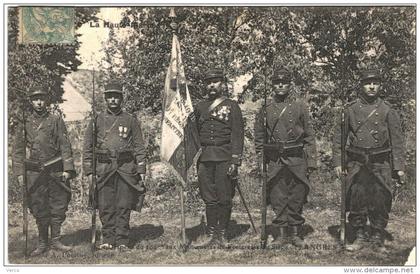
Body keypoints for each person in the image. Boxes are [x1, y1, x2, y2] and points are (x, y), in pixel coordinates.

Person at [333, 68, 405, 252]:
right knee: (357, 197)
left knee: (380, 198)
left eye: (375, 83)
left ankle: (377, 235)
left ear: (380, 86)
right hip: (357, 162)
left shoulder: (388, 110)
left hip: (380, 162)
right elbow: (339, 139)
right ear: (361, 86)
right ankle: (359, 234)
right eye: (367, 83)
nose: (371, 87)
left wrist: (399, 167)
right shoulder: (350, 110)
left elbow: (397, 140)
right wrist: (338, 162)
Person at [254, 67, 317, 248]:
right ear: (273, 86)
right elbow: (259, 138)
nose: (280, 85)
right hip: (275, 160)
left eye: (284, 82)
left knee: (297, 196)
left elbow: (309, 136)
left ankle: (296, 233)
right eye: (276, 83)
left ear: (290, 85)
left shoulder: (300, 107)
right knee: (278, 197)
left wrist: (311, 161)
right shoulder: (265, 109)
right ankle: (281, 234)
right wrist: (261, 161)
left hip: (296, 158)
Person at [83, 81, 146, 251]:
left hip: (125, 168)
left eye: (116, 96)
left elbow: (140, 145)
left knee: (123, 205)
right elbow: (87, 147)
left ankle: (123, 240)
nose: (113, 100)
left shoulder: (130, 120)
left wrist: (141, 168)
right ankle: (108, 238)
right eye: (109, 96)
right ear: (105, 98)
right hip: (104, 169)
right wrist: (89, 170)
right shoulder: (96, 120)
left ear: (121, 99)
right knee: (105, 206)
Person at [13, 86, 76, 256]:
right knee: (38, 206)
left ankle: (55, 240)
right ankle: (42, 243)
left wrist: (68, 169)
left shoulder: (56, 120)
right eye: (35, 99)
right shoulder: (24, 122)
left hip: (56, 170)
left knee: (58, 204)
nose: (39, 102)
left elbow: (65, 145)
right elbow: (18, 150)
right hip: (35, 172)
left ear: (46, 100)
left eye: (41, 99)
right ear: (31, 101)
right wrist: (19, 172)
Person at [194, 68, 244, 247]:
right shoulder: (199, 107)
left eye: (215, 81)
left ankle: (222, 233)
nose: (211, 85)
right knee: (209, 198)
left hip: (224, 156)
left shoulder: (232, 106)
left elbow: (237, 134)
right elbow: (192, 134)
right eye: (208, 82)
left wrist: (235, 160)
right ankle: (211, 232)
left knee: (224, 197)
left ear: (222, 84)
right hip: (205, 157)